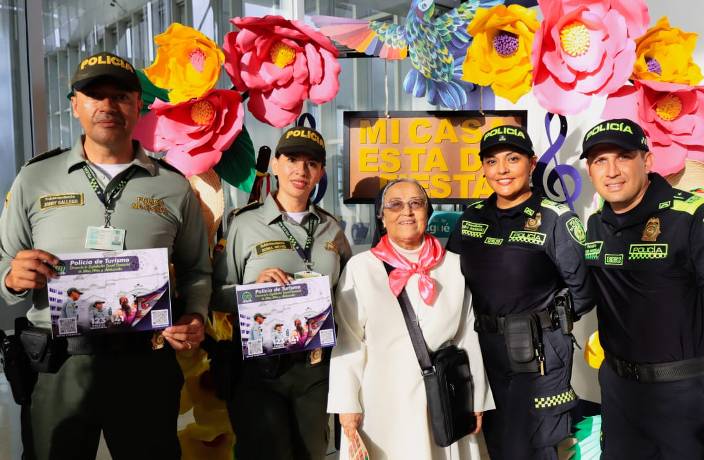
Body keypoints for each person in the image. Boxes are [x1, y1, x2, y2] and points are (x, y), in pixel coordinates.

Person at [0, 51, 211, 459]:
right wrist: (12, 277)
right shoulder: (35, 178)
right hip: (59, 364)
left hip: (145, 363)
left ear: (138, 105)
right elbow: (3, 262)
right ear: (74, 105)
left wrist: (195, 315)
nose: (108, 105)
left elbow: (196, 270)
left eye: (121, 96)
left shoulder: (172, 185)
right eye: (95, 95)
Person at [580, 118, 704, 459]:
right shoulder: (595, 225)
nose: (612, 171)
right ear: (590, 171)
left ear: (647, 161)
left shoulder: (694, 216)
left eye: (623, 157)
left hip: (685, 397)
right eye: (599, 161)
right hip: (619, 394)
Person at [446, 125, 596, 460]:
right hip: (482, 352)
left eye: (512, 159)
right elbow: (451, 283)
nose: (502, 169)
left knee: (536, 446)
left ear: (532, 162)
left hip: (538, 357)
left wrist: (545, 323)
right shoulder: (471, 218)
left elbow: (584, 291)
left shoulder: (555, 218)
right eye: (492, 161)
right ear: (483, 168)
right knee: (493, 443)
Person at [328, 178, 495, 459]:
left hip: (444, 397)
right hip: (381, 399)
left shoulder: (453, 266)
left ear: (427, 212)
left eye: (416, 203)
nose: (406, 211)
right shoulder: (361, 268)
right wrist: (347, 404)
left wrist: (476, 398)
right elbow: (348, 340)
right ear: (382, 217)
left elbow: (469, 336)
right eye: (395, 205)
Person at [212, 126, 352, 460]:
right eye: (292, 160)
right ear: (275, 164)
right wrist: (253, 291)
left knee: (312, 452)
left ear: (320, 173)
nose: (301, 170)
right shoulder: (243, 224)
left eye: (311, 163)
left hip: (315, 368)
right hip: (260, 369)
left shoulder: (332, 228)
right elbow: (216, 295)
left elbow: (345, 296)